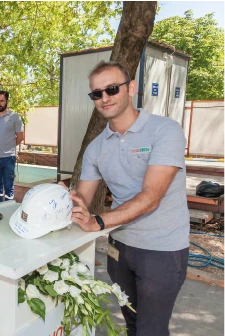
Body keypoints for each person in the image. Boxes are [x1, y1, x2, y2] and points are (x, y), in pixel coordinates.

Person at [70, 60, 189, 336]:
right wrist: (57, 203)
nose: (104, 98)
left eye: (111, 89)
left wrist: (97, 222)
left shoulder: (165, 130)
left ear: (131, 88)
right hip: (119, 249)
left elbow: (151, 197)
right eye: (96, 94)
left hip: (162, 250)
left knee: (151, 330)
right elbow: (83, 199)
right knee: (133, 324)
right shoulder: (96, 147)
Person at [0, 90, 24, 203]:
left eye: (2, 101)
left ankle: (8, 211)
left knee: (8, 187)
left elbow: (20, 137)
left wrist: (9, 146)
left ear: (7, 101)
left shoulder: (15, 117)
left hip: (9, 158)